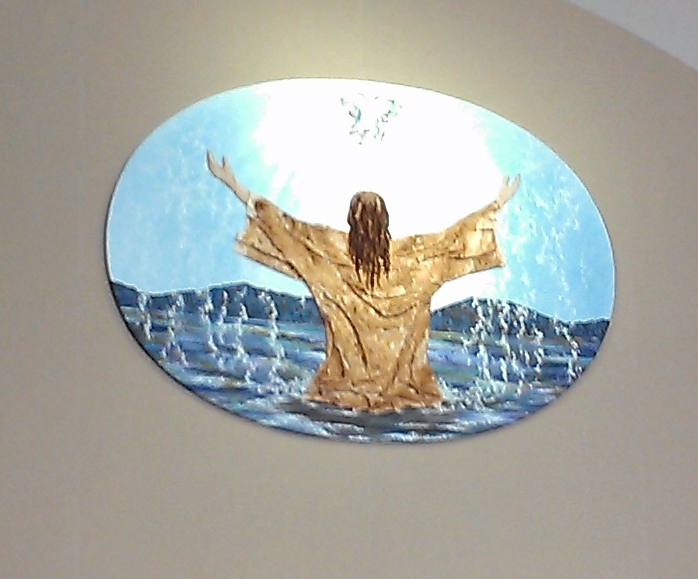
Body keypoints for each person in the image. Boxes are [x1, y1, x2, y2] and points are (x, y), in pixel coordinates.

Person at [208, 154, 516, 412]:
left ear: (349, 220)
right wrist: (497, 203)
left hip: (339, 394)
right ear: (387, 221)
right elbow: (456, 239)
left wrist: (233, 184)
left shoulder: (328, 252)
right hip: (408, 396)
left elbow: (283, 227)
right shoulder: (415, 257)